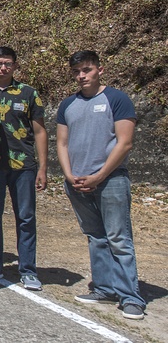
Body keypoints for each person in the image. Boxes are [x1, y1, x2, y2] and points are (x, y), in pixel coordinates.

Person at [57, 50, 146, 320]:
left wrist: (99, 176)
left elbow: (125, 142)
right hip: (77, 181)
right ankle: (104, 289)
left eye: (87, 70)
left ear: (99, 70)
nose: (82, 76)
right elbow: (61, 143)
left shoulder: (117, 99)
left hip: (111, 180)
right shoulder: (68, 104)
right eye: (76, 72)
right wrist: (70, 175)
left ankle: (130, 296)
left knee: (119, 238)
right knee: (96, 237)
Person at [0, 47, 47, 291]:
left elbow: (40, 131)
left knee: (26, 218)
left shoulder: (28, 93)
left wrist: (43, 167)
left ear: (15, 66)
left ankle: (28, 270)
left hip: (24, 165)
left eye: (7, 63)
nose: (2, 68)